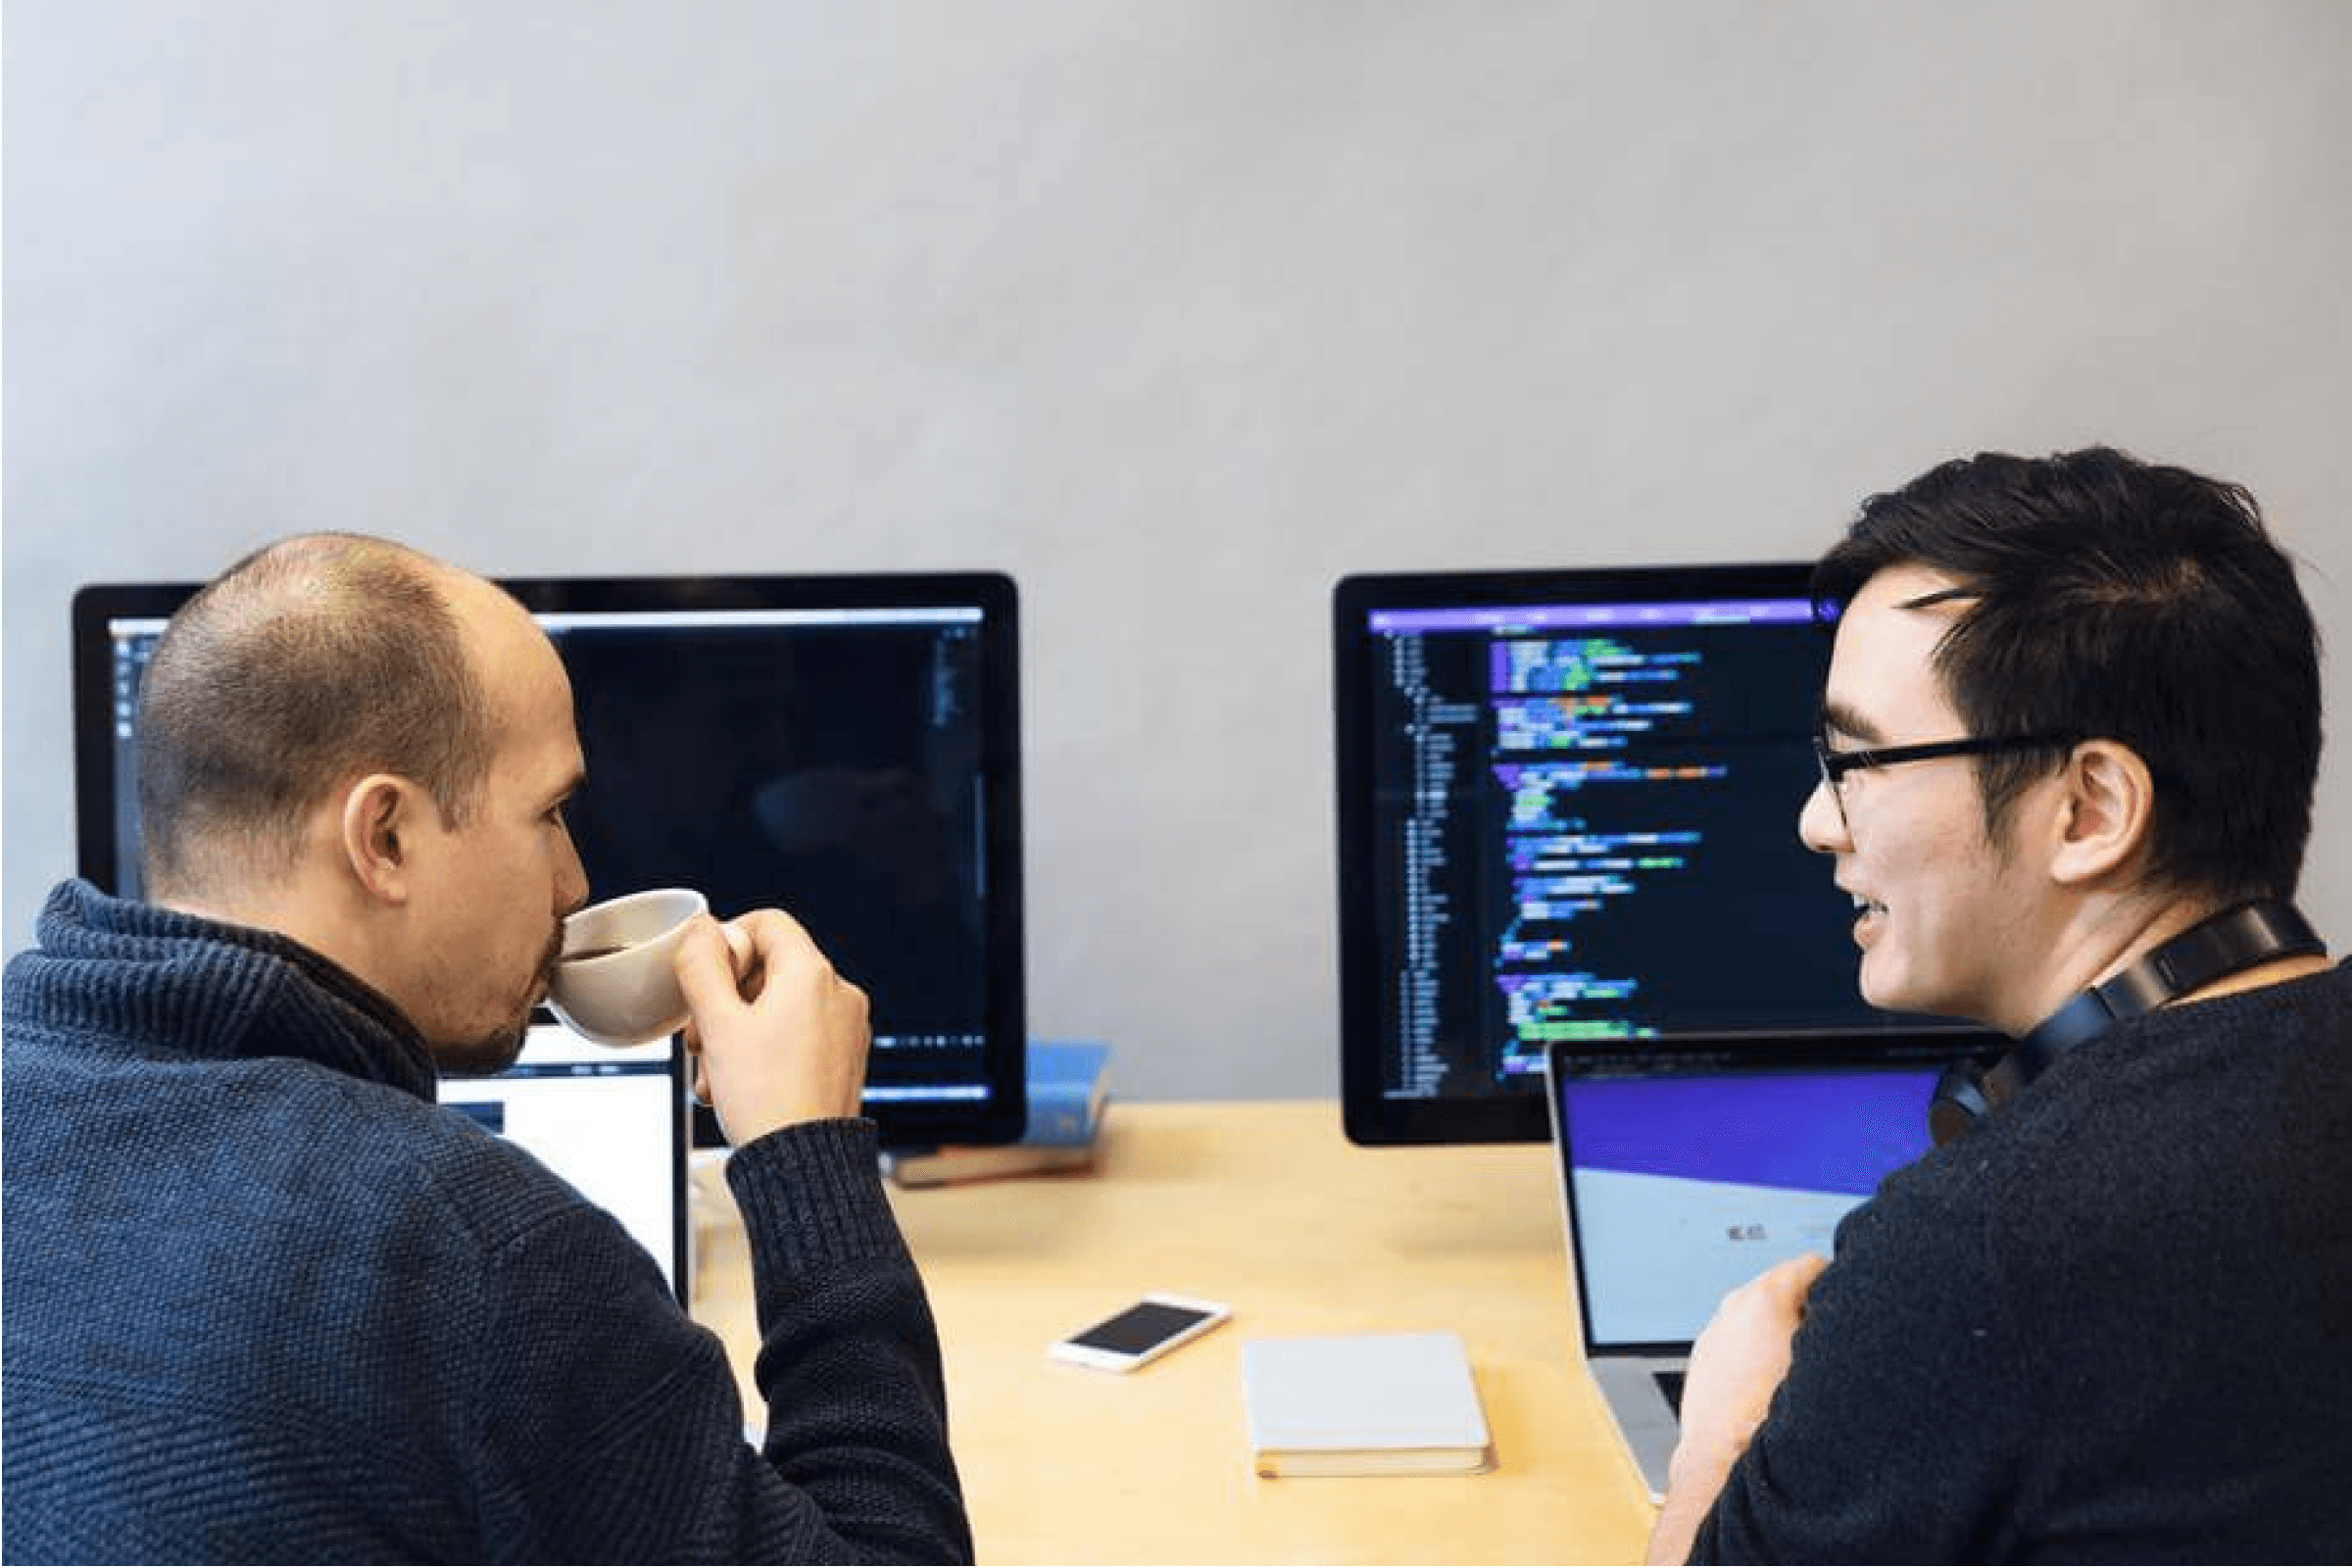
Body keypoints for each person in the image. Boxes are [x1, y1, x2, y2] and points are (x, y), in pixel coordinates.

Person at [1, 534, 974, 1562]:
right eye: (550, 812)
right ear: (383, 838)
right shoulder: (486, 1261)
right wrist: (806, 1157)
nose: (573, 882)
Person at [1649, 448, 2351, 1563]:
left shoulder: (1986, 1246)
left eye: (1858, 762)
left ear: (2088, 807)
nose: (1817, 823)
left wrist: (1719, 1437)